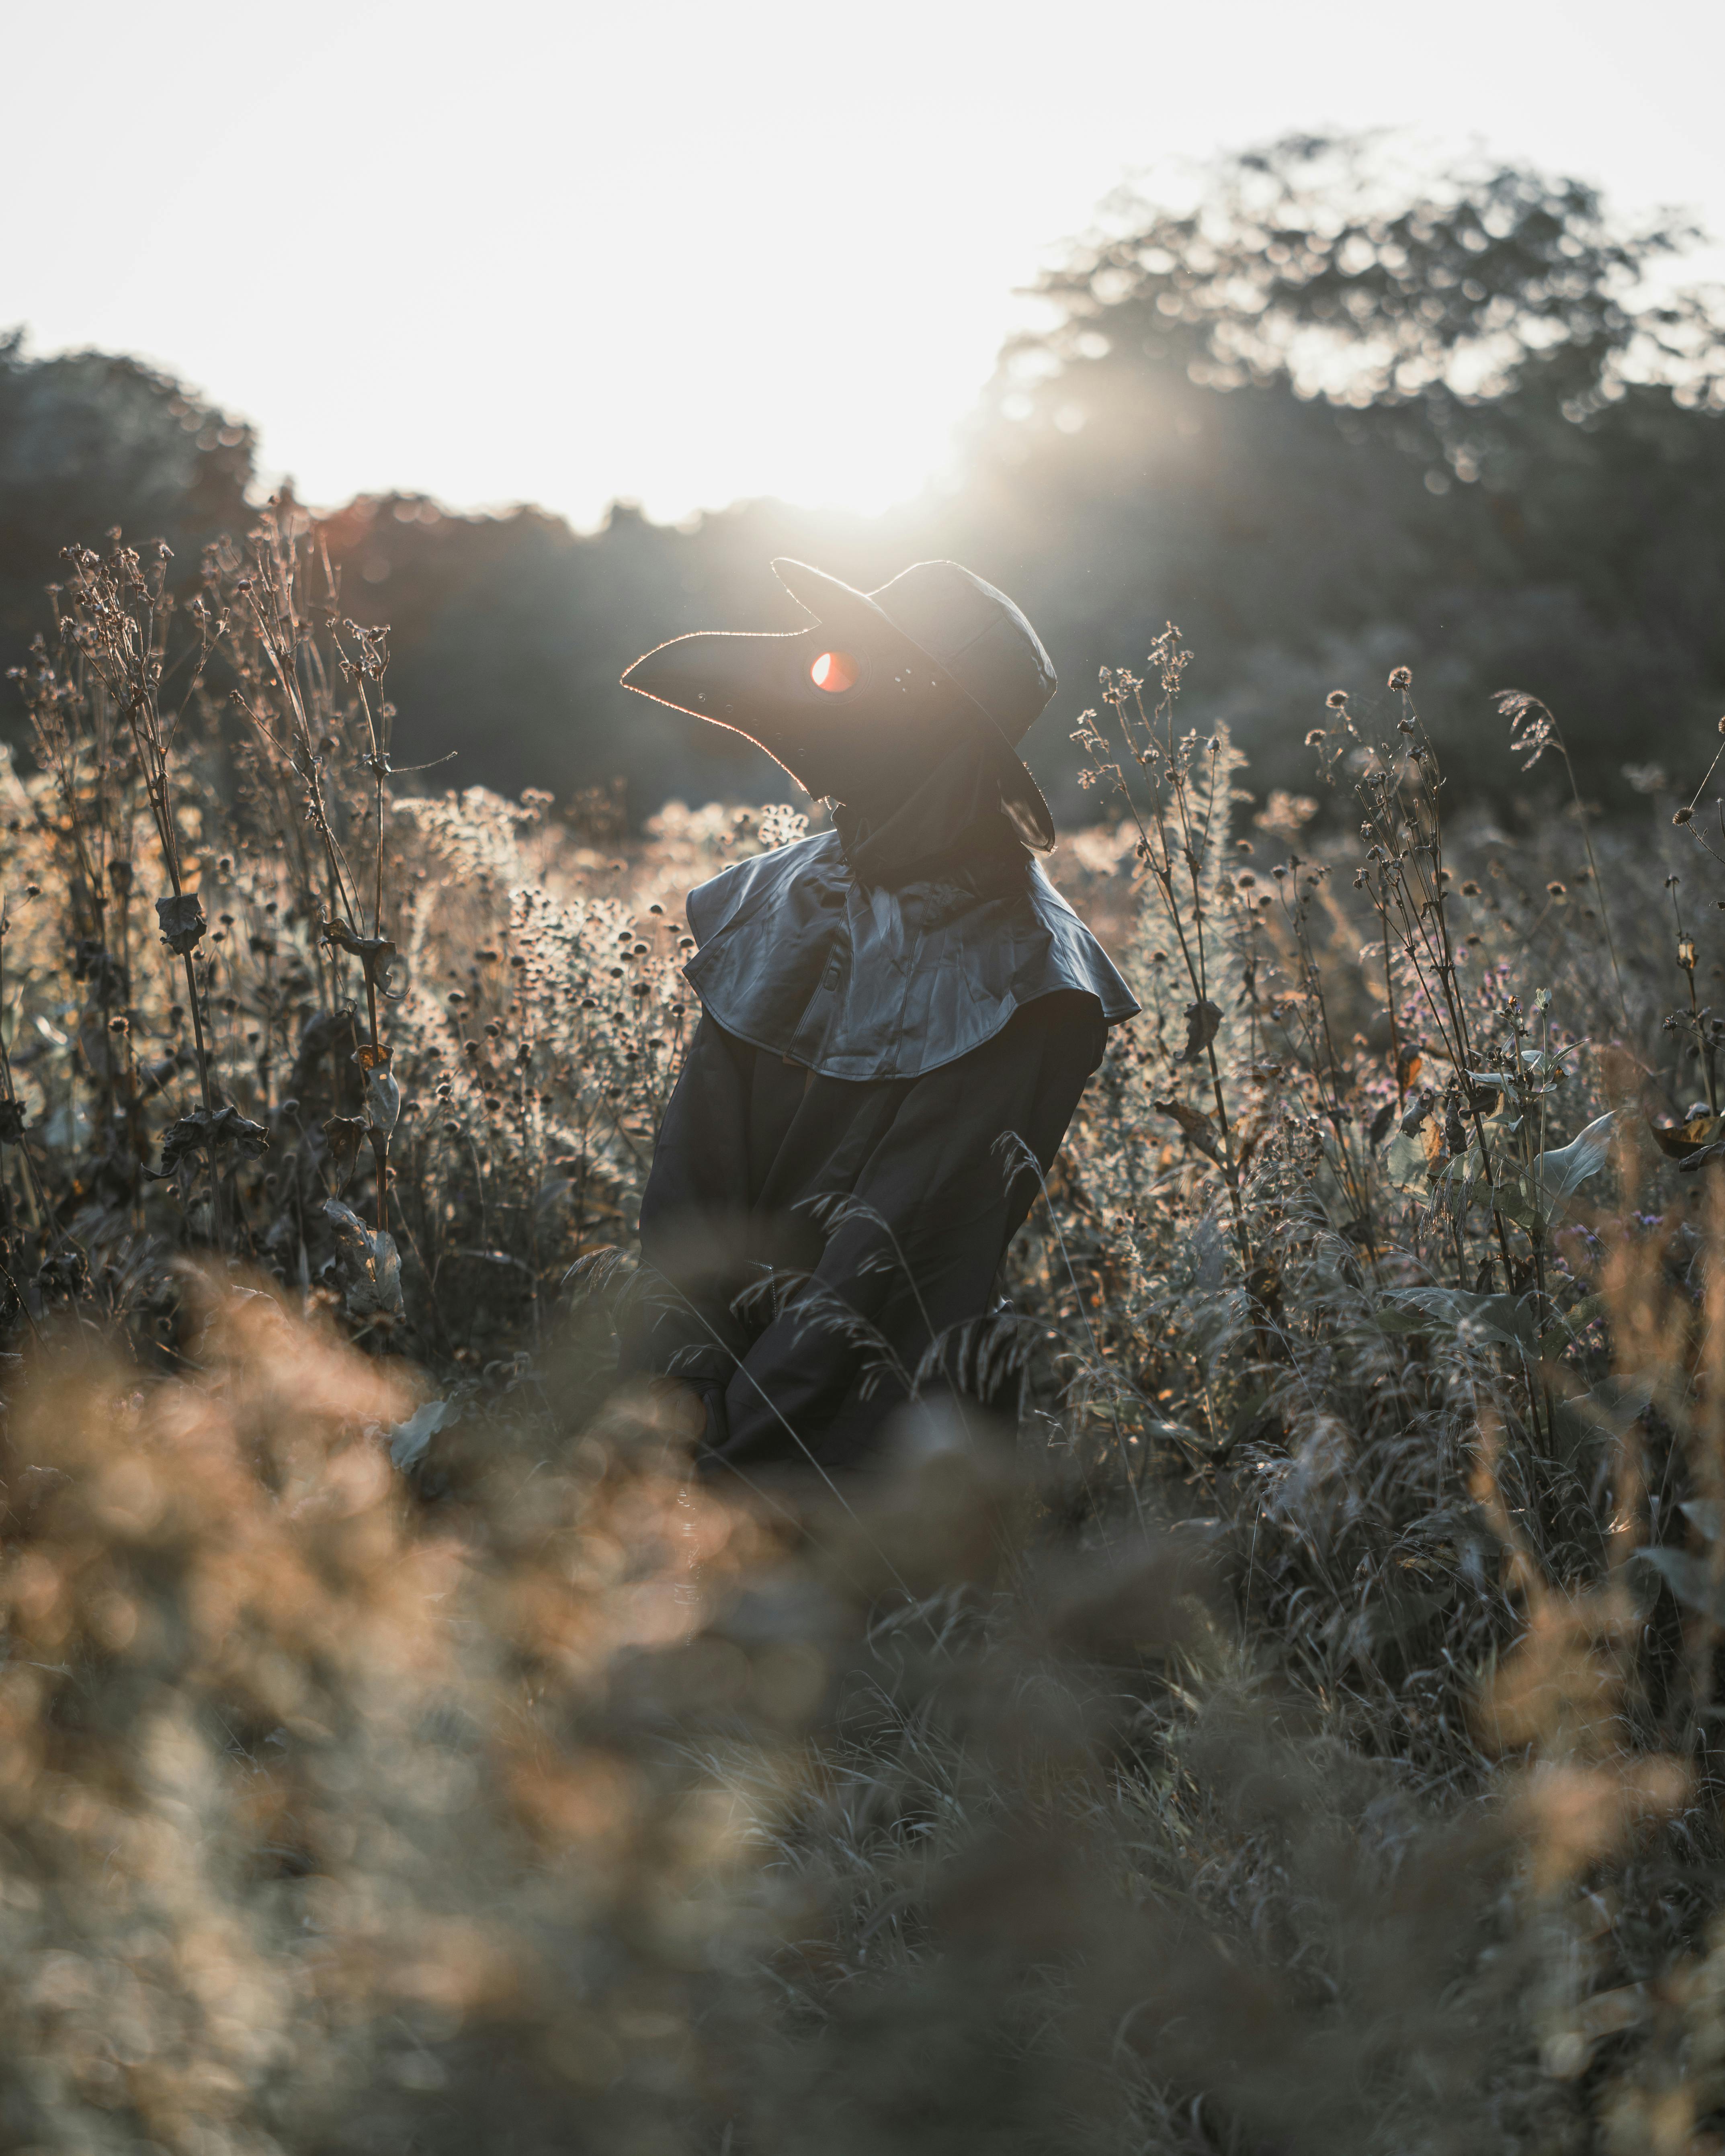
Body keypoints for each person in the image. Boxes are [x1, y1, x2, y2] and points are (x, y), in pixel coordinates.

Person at [617, 556, 1138, 1477]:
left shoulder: (1026, 977)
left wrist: (724, 1469)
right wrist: (671, 1409)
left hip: (872, 1469)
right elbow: (690, 1193)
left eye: (880, 684)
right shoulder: (774, 897)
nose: (839, 709)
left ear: (944, 734)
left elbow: (889, 1267)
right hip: (692, 1432)